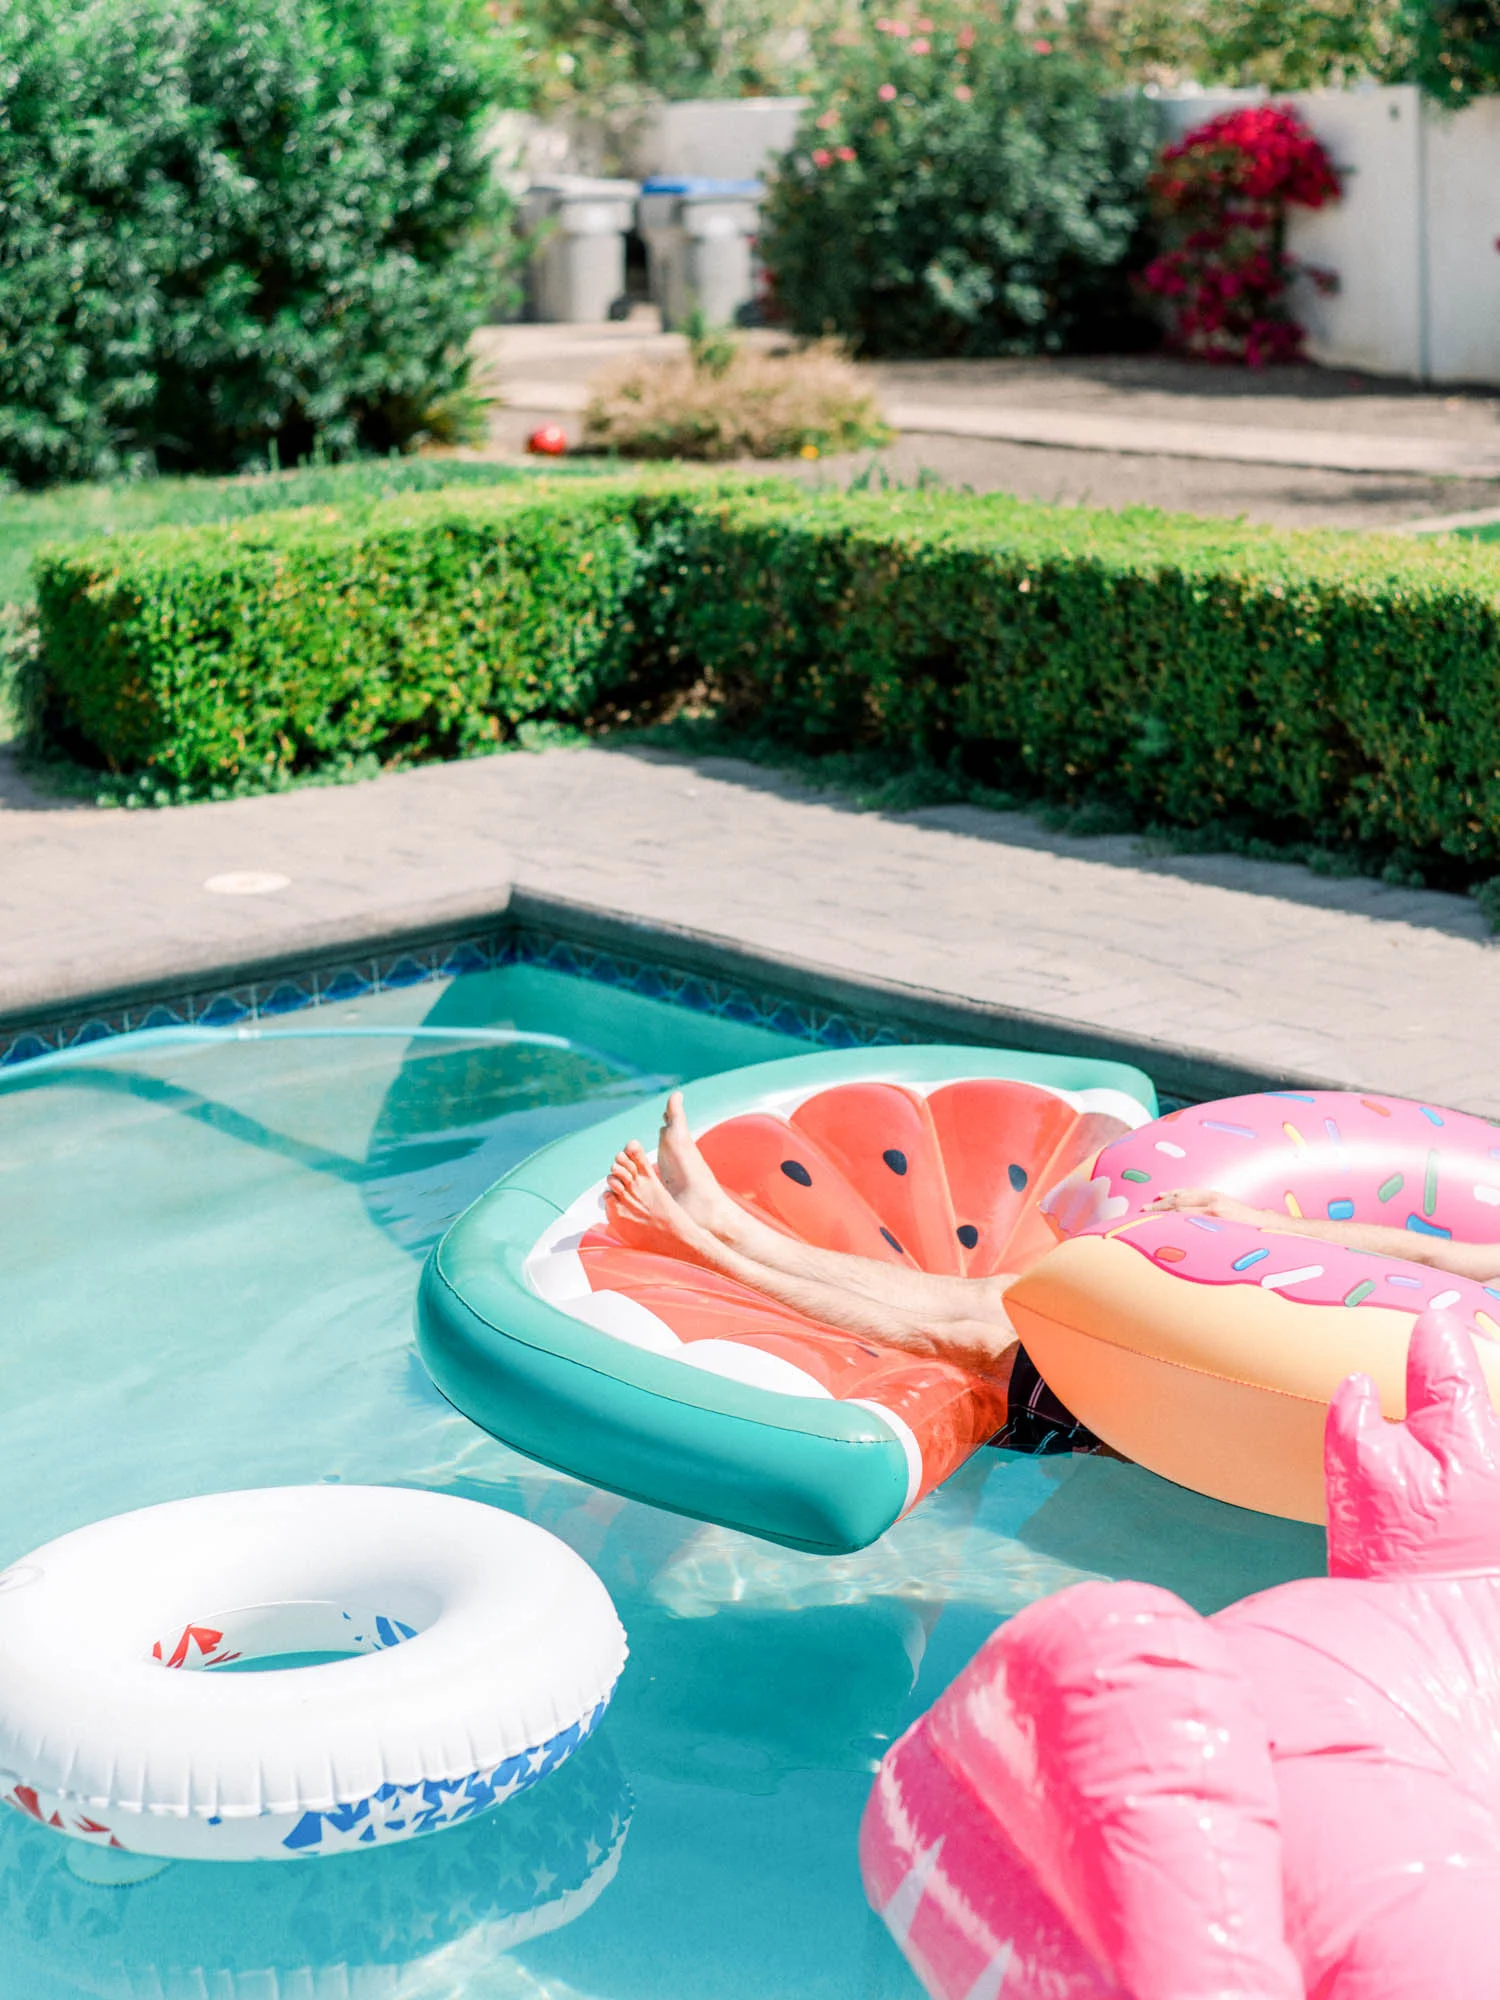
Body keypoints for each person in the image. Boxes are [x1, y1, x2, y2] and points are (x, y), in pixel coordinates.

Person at [604, 1092, 1093, 1453]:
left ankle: (703, 1255)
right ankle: (729, 1227)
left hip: (1150, 1413)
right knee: (1004, 1300)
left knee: (984, 1352)